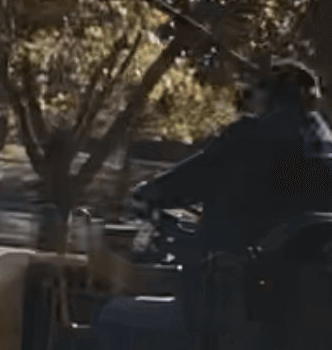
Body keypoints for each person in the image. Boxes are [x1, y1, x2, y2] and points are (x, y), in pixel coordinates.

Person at [131, 59, 332, 254]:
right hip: (300, 257)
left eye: (259, 91)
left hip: (237, 254)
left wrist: (152, 192)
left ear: (272, 95)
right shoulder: (321, 141)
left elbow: (202, 173)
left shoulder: (252, 134)